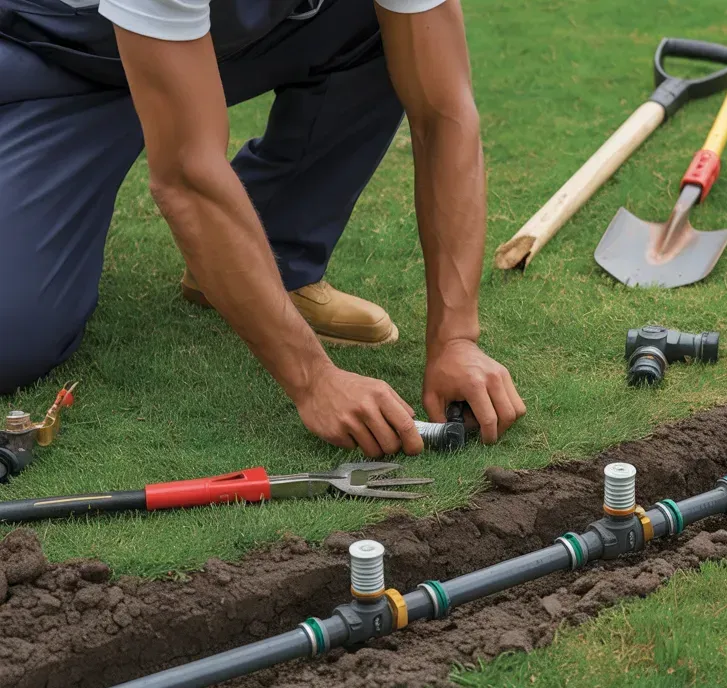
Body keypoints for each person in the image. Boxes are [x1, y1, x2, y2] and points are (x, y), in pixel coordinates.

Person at [0, 0, 525, 455]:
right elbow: (186, 174)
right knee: (12, 338)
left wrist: (456, 338)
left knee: (377, 23)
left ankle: (270, 262)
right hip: (57, 65)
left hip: (209, 47)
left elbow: (443, 111)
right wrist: (314, 381)